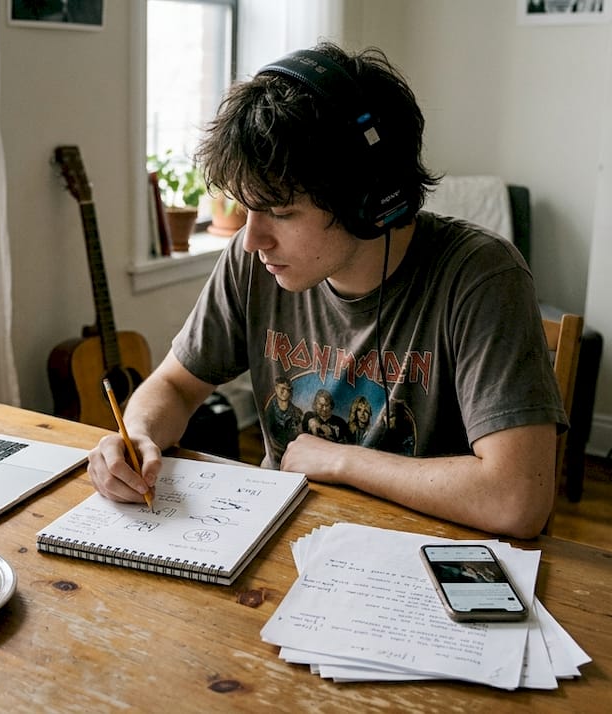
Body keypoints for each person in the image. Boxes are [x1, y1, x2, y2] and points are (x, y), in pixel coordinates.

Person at [88, 42, 565, 538]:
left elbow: (517, 499)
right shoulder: (254, 260)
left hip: (422, 558)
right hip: (282, 541)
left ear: (370, 200)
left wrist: (341, 461)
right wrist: (137, 434)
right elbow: (176, 386)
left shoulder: (481, 276)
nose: (252, 238)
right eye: (246, 207)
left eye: (280, 212)